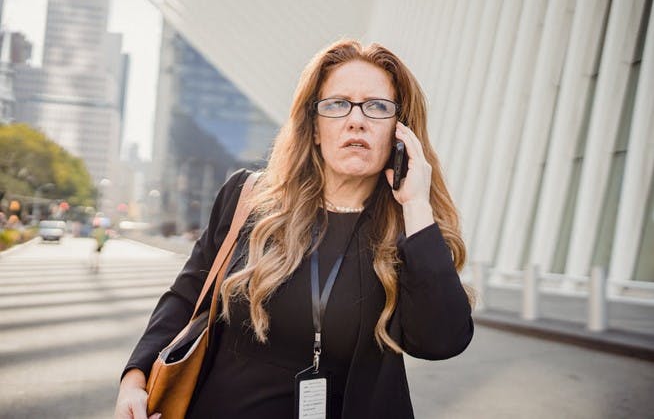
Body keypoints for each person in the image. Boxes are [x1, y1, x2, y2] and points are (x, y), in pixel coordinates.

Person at [114, 39, 474, 419]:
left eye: (377, 107)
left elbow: (442, 341)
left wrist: (416, 205)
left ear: (401, 133)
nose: (356, 120)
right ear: (315, 129)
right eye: (337, 104)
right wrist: (134, 380)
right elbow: (187, 295)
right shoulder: (248, 197)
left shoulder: (409, 233)